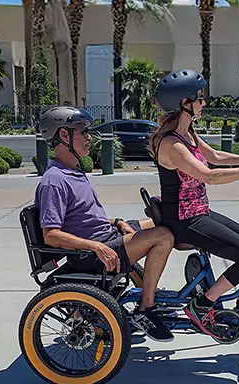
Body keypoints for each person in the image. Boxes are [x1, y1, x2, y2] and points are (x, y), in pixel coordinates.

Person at [149, 69, 239, 337]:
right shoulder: (172, 144)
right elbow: (208, 175)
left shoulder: (189, 135)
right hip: (185, 221)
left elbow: (217, 157)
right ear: (183, 104)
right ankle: (203, 305)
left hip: (200, 213)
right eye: (199, 98)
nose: (203, 102)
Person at [35, 106, 175, 342]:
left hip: (107, 235)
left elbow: (85, 218)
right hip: (92, 252)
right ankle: (146, 310)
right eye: (82, 131)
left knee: (162, 222)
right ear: (63, 135)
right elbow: (51, 234)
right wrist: (97, 248)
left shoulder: (73, 172)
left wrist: (118, 222)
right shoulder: (54, 181)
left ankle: (151, 298)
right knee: (163, 236)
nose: (89, 137)